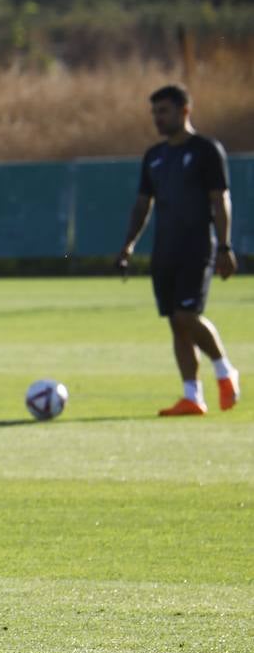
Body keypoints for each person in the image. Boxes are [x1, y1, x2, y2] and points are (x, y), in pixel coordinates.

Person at [118, 84, 240, 415]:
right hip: (165, 250)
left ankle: (225, 371)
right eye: (154, 112)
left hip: (197, 247)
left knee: (188, 315)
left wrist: (225, 245)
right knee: (176, 322)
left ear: (185, 110)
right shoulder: (154, 156)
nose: (158, 118)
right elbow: (143, 204)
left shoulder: (206, 150)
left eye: (164, 111)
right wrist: (129, 244)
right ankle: (192, 396)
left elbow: (220, 199)